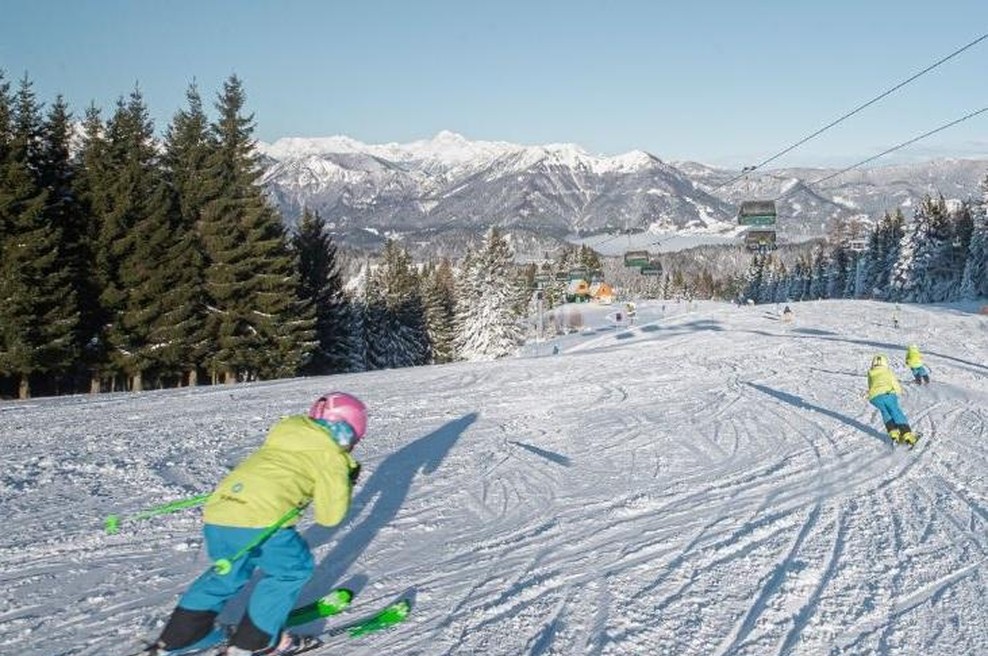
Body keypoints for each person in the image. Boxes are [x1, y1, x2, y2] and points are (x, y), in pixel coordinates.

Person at [145, 392, 367, 656]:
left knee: (226, 574)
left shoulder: (285, 436)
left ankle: (181, 638)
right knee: (292, 570)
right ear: (345, 432)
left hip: (221, 511)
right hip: (262, 520)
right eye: (353, 439)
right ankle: (255, 641)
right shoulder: (331, 455)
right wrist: (345, 480)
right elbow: (329, 517)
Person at [867, 355, 916, 445]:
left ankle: (893, 434)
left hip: (874, 397)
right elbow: (894, 382)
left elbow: (870, 385)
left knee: (885, 412)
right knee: (895, 412)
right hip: (887, 394)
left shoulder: (871, 372)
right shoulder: (887, 371)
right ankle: (907, 435)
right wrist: (898, 392)